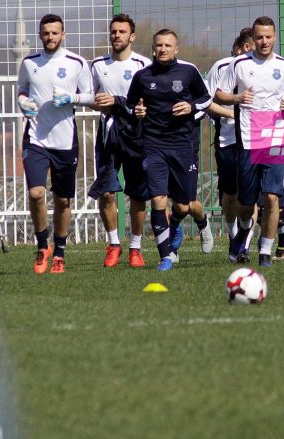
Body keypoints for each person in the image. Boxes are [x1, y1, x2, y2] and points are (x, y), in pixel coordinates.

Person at [214, 16, 284, 267]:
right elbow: (219, 94)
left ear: (274, 37)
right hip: (248, 140)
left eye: (268, 36)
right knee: (246, 202)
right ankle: (242, 231)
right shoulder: (239, 64)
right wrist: (238, 98)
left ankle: (265, 252)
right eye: (259, 37)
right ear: (253, 38)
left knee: (272, 198)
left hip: (276, 138)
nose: (264, 41)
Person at [125, 28, 213, 271]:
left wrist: (191, 106)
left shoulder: (188, 72)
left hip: (183, 146)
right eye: (159, 45)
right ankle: (166, 255)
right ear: (153, 48)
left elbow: (207, 99)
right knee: (158, 199)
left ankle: (201, 222)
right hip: (154, 145)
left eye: (167, 45)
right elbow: (131, 105)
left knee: (184, 205)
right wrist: (137, 111)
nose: (162, 49)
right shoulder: (142, 76)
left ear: (176, 49)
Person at [17, 14, 94, 274]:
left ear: (63, 34)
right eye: (45, 32)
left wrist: (71, 98)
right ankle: (42, 246)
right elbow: (22, 89)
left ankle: (59, 251)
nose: (50, 37)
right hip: (36, 138)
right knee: (36, 193)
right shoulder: (29, 63)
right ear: (40, 34)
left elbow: (91, 96)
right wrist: (22, 102)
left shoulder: (76, 63)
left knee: (62, 201)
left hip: (64, 141)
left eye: (54, 32)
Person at [88, 14, 151, 268]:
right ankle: (114, 244)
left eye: (122, 31)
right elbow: (92, 98)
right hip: (109, 134)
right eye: (113, 31)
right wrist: (99, 105)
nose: (117, 35)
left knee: (138, 194)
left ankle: (135, 247)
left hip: (137, 135)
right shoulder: (97, 65)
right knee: (106, 191)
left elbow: (151, 100)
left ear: (131, 36)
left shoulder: (143, 65)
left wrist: (140, 110)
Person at [205, 30, 252, 260]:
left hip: (257, 139)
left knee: (253, 195)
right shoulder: (222, 67)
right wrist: (234, 114)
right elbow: (207, 102)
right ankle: (234, 237)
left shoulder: (270, 66)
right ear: (244, 48)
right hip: (228, 139)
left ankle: (244, 245)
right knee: (231, 193)